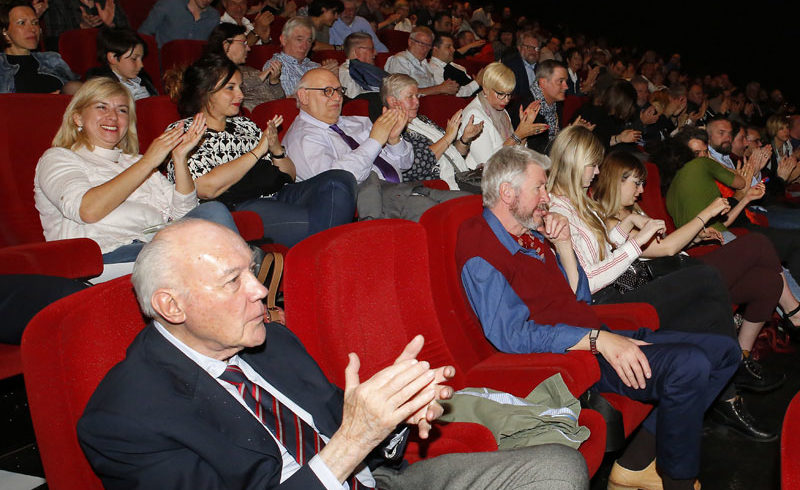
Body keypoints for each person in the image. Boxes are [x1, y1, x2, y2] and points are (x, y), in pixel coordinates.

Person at [77, 218, 591, 489]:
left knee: (558, 468)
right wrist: (353, 440)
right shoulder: (125, 419)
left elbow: (344, 430)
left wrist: (394, 415)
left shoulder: (270, 341)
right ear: (172, 306)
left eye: (253, 270)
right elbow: (345, 442)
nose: (260, 290)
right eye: (233, 281)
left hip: (373, 481)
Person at [456, 144, 740, 490]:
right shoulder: (481, 246)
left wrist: (564, 246)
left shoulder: (530, 234)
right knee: (689, 364)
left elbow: (578, 298)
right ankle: (676, 480)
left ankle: (635, 463)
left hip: (597, 334)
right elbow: (512, 335)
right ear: (507, 193)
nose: (546, 197)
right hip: (571, 357)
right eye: (539, 188)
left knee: (726, 352)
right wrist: (598, 341)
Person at [593, 150, 796, 394]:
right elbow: (664, 249)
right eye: (636, 183)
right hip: (675, 282)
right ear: (616, 180)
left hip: (684, 266)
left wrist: (697, 238)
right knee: (757, 243)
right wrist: (706, 214)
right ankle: (794, 313)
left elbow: (666, 247)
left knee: (768, 283)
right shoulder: (612, 222)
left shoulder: (634, 212)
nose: (641, 190)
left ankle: (740, 357)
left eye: (643, 183)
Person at [34, 77, 236, 272]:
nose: (113, 117)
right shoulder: (58, 157)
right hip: (104, 254)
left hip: (155, 245)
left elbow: (185, 216)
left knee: (213, 212)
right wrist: (148, 162)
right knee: (206, 252)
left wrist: (180, 157)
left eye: (122, 110)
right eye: (102, 107)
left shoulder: (135, 161)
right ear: (77, 117)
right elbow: (88, 211)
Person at [166, 55, 357, 248]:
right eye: (231, 88)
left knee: (340, 179)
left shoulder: (245, 124)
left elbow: (289, 175)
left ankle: (323, 252)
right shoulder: (184, 132)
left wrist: (276, 150)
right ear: (206, 92)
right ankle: (329, 253)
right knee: (318, 220)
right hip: (241, 205)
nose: (240, 95)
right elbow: (206, 189)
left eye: (240, 87)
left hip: (280, 193)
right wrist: (258, 151)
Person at [284, 67, 412, 183]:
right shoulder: (302, 139)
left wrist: (393, 140)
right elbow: (334, 182)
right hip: (365, 200)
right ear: (304, 96)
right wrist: (374, 142)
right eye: (328, 91)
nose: (337, 97)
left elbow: (404, 165)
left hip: (397, 192)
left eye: (339, 90)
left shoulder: (357, 122)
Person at [381, 73, 482, 188]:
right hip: (436, 190)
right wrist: (447, 138)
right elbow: (416, 167)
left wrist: (465, 139)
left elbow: (452, 155)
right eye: (410, 97)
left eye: (417, 96)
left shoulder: (422, 120)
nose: (417, 102)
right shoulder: (390, 132)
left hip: (461, 178)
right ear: (393, 101)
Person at [458, 61, 547, 170]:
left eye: (509, 94)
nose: (506, 100)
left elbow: (518, 153)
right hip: (482, 176)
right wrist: (518, 135)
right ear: (486, 89)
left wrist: (525, 128)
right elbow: (488, 164)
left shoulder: (501, 111)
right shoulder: (474, 116)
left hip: (507, 171)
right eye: (500, 94)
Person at [0, 0, 80, 94]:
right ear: (5, 32)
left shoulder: (51, 60)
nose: (32, 29)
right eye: (22, 23)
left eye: (35, 23)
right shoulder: (2, 66)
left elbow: (81, 92)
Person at [205, 23, 284, 111]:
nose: (248, 48)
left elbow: (281, 99)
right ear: (226, 45)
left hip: (277, 113)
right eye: (244, 43)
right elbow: (230, 89)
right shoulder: (212, 72)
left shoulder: (250, 70)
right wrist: (258, 78)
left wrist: (274, 82)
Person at [265, 16, 337, 96]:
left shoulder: (315, 66)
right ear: (284, 40)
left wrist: (334, 79)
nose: (305, 46)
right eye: (299, 40)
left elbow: (337, 97)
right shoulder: (275, 66)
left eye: (309, 41)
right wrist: (315, 80)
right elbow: (285, 101)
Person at [383, 26, 459, 97]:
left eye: (428, 45)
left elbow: (433, 90)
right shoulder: (400, 60)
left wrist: (446, 89)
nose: (425, 49)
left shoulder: (425, 64)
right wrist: (439, 89)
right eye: (421, 44)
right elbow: (402, 92)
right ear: (410, 42)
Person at [85, 27, 157, 100]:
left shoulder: (143, 79)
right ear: (113, 57)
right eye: (134, 59)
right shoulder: (103, 86)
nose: (141, 65)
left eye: (141, 59)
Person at [41, 0, 128, 51]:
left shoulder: (107, 2)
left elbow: (129, 41)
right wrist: (81, 29)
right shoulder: (56, 3)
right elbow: (54, 46)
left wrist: (110, 26)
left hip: (109, 61)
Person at [138, 0, 220, 48]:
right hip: (163, 61)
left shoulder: (213, 16)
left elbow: (211, 47)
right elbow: (144, 33)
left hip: (193, 66)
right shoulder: (169, 4)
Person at [428, 32, 480, 98]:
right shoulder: (434, 69)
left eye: (453, 46)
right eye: (448, 47)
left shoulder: (453, 65)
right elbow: (449, 95)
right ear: (435, 50)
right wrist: (477, 83)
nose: (453, 50)